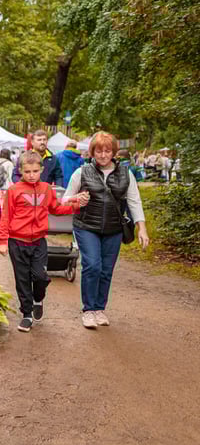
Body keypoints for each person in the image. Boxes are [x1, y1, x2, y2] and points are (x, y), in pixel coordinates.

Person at [63, 132, 149, 329]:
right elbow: (65, 198)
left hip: (113, 228)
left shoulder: (125, 174)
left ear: (113, 152)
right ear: (92, 152)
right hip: (86, 226)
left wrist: (141, 228)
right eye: (99, 151)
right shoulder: (82, 172)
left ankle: (99, 309)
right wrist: (77, 199)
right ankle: (88, 310)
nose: (103, 155)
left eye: (107, 151)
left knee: (106, 270)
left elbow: (134, 202)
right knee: (92, 265)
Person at [0, 151, 87, 333]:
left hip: (39, 241)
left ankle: (38, 299)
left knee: (40, 276)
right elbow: (6, 216)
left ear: (41, 170)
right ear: (20, 171)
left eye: (35, 171)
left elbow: (55, 208)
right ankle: (26, 314)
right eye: (27, 172)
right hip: (17, 242)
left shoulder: (46, 188)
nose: (31, 175)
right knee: (22, 279)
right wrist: (3, 240)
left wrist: (75, 206)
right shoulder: (13, 191)